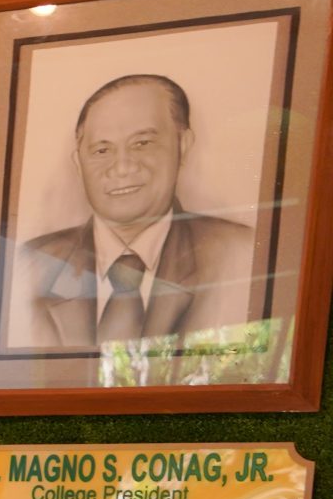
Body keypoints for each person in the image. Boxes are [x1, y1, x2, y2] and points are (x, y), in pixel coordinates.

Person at [17, 74, 260, 350]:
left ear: (183, 145)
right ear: (78, 162)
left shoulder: (241, 254)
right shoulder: (30, 265)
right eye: (102, 150)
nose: (122, 167)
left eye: (142, 143)